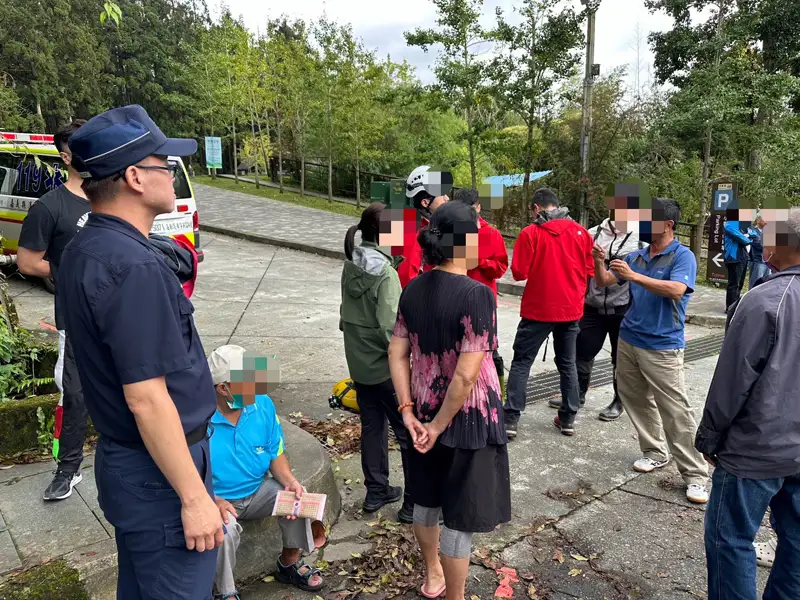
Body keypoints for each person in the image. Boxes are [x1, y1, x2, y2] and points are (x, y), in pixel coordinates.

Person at [58, 105, 223, 599]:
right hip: (161, 471)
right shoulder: (133, 266)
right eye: (163, 164)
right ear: (133, 176)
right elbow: (146, 398)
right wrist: (194, 497)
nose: (172, 174)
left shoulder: (87, 248)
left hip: (135, 462)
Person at [389, 201, 510, 600]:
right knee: (459, 515)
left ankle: (432, 576)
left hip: (421, 414)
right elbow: (466, 373)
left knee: (425, 500)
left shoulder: (413, 287)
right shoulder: (477, 295)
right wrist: (440, 425)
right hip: (466, 420)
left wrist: (408, 412)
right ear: (463, 242)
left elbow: (397, 351)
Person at [695, 208, 800, 600]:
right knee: (796, 544)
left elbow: (731, 383)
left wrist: (709, 438)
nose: (763, 243)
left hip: (757, 448)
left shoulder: (764, 300)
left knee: (730, 539)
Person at [592, 197, 709, 505]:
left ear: (667, 225)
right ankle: (654, 451)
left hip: (663, 344)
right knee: (634, 397)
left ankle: (695, 474)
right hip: (630, 339)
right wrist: (598, 259)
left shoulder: (682, 257)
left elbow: (677, 290)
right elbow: (604, 281)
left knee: (675, 409)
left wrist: (634, 277)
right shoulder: (637, 255)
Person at [207, 345, 324, 600]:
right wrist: (211, 500)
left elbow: (276, 453)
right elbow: (187, 470)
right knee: (221, 530)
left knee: (298, 498)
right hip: (215, 498)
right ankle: (225, 592)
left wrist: (290, 481)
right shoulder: (197, 418)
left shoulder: (262, 405)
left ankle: (289, 564)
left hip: (257, 490)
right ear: (222, 388)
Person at [17, 120, 90, 501]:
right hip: (75, 320)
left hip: (119, 317)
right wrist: (75, 270)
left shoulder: (111, 196)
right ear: (65, 156)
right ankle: (67, 470)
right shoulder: (51, 206)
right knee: (74, 395)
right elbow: (28, 262)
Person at [340, 203, 413, 523]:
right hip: (385, 369)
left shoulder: (351, 263)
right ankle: (414, 502)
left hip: (359, 363)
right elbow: (390, 329)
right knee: (408, 433)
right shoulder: (385, 273)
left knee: (372, 427)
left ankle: (376, 490)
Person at [505, 188, 594, 438]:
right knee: (568, 363)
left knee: (522, 362)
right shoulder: (581, 233)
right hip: (571, 309)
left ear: (536, 208)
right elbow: (590, 270)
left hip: (538, 309)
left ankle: (511, 419)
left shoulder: (530, 233)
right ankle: (568, 419)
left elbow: (520, 272)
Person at [555, 215, 641, 421]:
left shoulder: (640, 239)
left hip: (623, 307)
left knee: (620, 358)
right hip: (592, 305)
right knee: (582, 353)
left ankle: (618, 401)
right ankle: (577, 394)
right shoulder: (593, 233)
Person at [453, 188, 509, 399]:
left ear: (478, 207)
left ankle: (491, 395)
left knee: (484, 351)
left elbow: (501, 267)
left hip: (482, 302)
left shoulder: (491, 234)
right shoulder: (451, 232)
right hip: (453, 299)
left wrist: (482, 263)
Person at [396, 165, 450, 288]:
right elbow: (407, 276)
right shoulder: (413, 229)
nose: (447, 198)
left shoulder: (429, 225)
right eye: (442, 194)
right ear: (425, 202)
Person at [723, 215, 753, 309]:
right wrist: (748, 237)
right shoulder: (730, 224)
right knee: (734, 284)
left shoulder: (742, 226)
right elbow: (743, 239)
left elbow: (754, 233)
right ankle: (730, 307)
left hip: (743, 257)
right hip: (733, 258)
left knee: (740, 284)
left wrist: (748, 235)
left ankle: (735, 306)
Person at [747, 213, 769, 289]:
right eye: (765, 219)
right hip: (757, 261)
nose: (767, 221)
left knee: (765, 286)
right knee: (755, 285)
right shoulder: (753, 231)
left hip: (767, 263)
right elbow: (759, 245)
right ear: (759, 220)